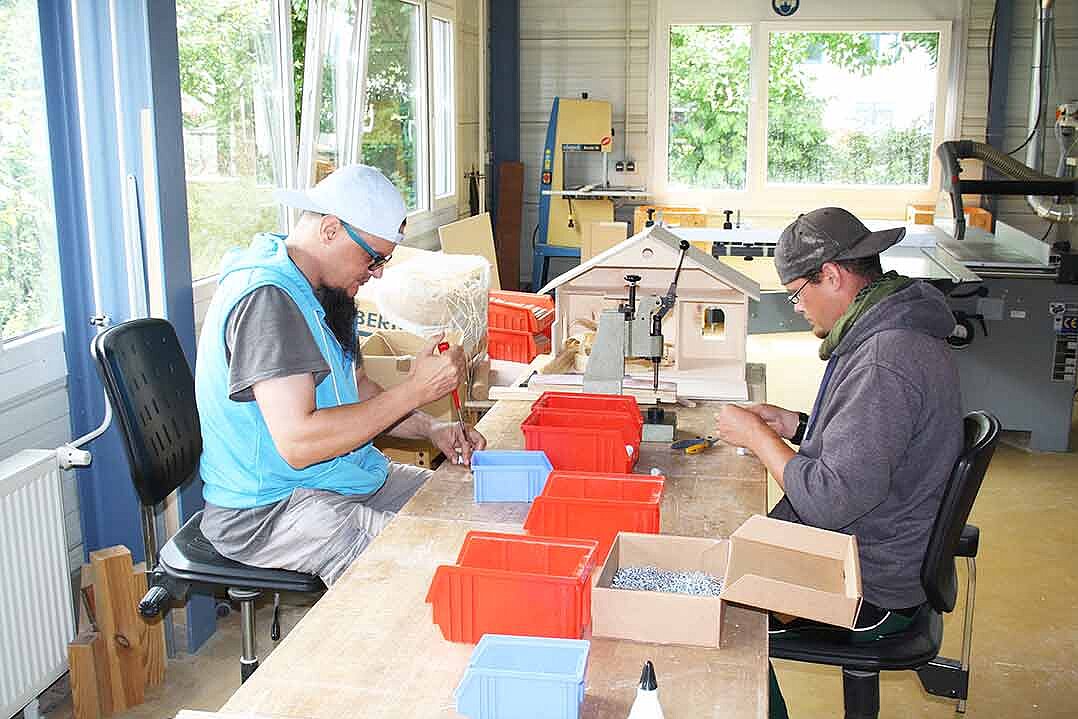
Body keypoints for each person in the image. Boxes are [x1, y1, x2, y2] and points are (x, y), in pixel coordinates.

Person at [714, 207, 962, 717]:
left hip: (871, 584)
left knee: (715, 611)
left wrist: (758, 437)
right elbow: (880, 445)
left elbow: (828, 502)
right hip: (880, 546)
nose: (797, 308)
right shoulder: (886, 326)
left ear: (831, 275)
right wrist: (797, 427)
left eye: (796, 293)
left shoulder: (883, 358)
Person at [195, 164, 486, 586]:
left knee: (460, 507)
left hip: (337, 477)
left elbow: (359, 390)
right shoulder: (269, 302)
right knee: (425, 571)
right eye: (373, 258)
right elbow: (300, 441)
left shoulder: (324, 290)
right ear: (330, 230)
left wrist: (434, 429)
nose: (378, 272)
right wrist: (415, 390)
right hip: (269, 511)